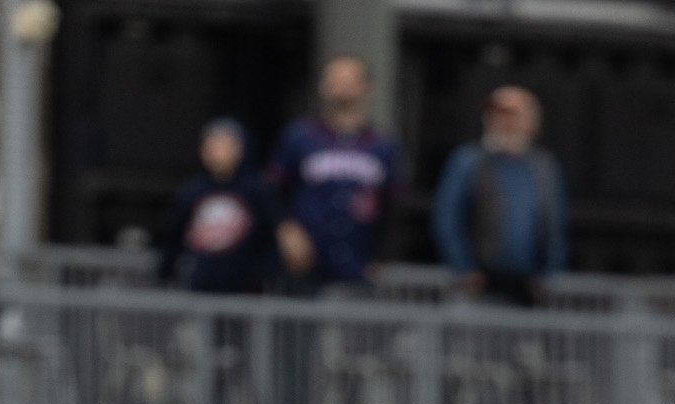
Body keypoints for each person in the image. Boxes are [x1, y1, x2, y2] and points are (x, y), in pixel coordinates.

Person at [265, 57, 402, 289]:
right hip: (304, 263)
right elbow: (270, 192)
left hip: (358, 263)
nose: (342, 87)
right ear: (323, 86)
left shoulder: (382, 145)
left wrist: (383, 257)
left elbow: (393, 206)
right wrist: (286, 229)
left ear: (366, 87)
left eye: (350, 80)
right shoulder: (300, 136)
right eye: (336, 80)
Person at [432, 85, 569, 305]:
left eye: (512, 115)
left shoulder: (544, 167)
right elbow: (447, 219)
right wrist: (463, 268)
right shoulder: (468, 161)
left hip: (528, 287)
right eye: (496, 115)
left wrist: (547, 274)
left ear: (532, 122)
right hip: (478, 285)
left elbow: (555, 226)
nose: (504, 122)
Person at [157, 120, 277, 295]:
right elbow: (173, 234)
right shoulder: (191, 191)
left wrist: (266, 273)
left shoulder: (257, 191)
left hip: (245, 290)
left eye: (225, 145)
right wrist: (166, 269)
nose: (218, 152)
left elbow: (271, 235)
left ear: (240, 149)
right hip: (200, 285)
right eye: (212, 145)